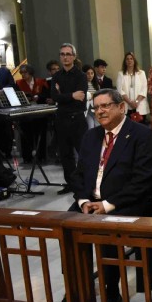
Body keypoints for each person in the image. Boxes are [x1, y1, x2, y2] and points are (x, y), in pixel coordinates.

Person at [69, 88, 152, 302]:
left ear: (121, 107)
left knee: (116, 230)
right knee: (65, 229)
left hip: (130, 202)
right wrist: (84, 201)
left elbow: (142, 181)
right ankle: (84, 290)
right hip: (91, 203)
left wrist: (107, 204)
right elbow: (79, 174)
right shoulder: (91, 136)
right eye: (97, 107)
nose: (100, 111)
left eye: (106, 106)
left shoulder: (141, 135)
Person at [51, 43, 88, 194]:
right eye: (62, 54)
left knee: (84, 152)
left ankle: (86, 181)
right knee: (65, 154)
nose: (65, 57)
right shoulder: (56, 76)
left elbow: (81, 97)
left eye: (68, 54)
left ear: (74, 56)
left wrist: (63, 95)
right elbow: (54, 96)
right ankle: (71, 183)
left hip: (77, 119)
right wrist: (71, 95)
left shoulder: (81, 75)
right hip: (62, 119)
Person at [16, 64, 50, 162]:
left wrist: (39, 97)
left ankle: (41, 156)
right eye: (21, 73)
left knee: (40, 134)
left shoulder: (40, 82)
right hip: (25, 112)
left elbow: (46, 94)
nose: (23, 75)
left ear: (30, 72)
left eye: (25, 72)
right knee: (26, 134)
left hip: (39, 111)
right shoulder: (18, 83)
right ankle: (27, 157)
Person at [116, 52, 150, 123]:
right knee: (128, 129)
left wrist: (136, 102)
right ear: (125, 62)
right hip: (126, 105)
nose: (129, 61)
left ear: (134, 61)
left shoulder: (141, 73)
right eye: (127, 59)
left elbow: (144, 89)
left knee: (141, 128)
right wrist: (130, 102)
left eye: (131, 59)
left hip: (140, 105)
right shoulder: (121, 74)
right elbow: (120, 90)